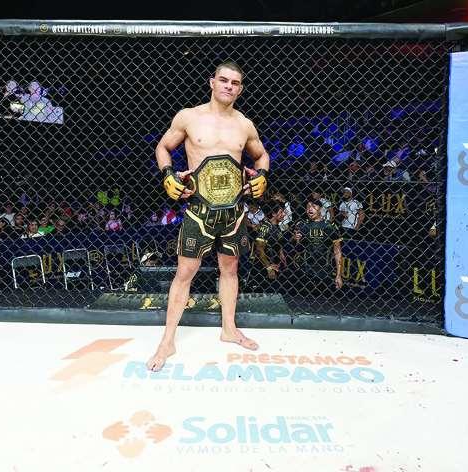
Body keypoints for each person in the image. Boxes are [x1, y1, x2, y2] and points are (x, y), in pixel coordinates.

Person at [147, 61, 270, 372]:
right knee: (184, 272)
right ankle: (168, 341)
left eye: (235, 83)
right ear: (212, 82)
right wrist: (167, 174)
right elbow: (163, 147)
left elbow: (261, 155)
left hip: (234, 212)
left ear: (240, 89)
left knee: (230, 269)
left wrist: (263, 175)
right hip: (199, 210)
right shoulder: (189, 117)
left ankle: (229, 329)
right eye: (224, 80)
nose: (229, 86)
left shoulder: (244, 124)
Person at [292, 197, 344, 292]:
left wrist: (338, 275)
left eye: (313, 206)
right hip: (305, 272)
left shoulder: (330, 226)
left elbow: (337, 252)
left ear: (320, 209)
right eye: (307, 207)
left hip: (325, 273)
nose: (310, 209)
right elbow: (297, 249)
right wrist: (295, 239)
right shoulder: (302, 225)